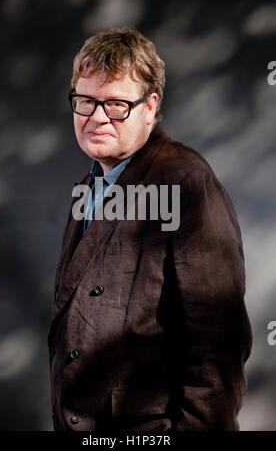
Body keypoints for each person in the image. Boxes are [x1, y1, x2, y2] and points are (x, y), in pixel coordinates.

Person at [47, 27, 252, 432]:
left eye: (116, 104)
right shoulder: (89, 184)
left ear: (149, 106)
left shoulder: (186, 181)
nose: (97, 117)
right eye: (86, 101)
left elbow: (217, 347)